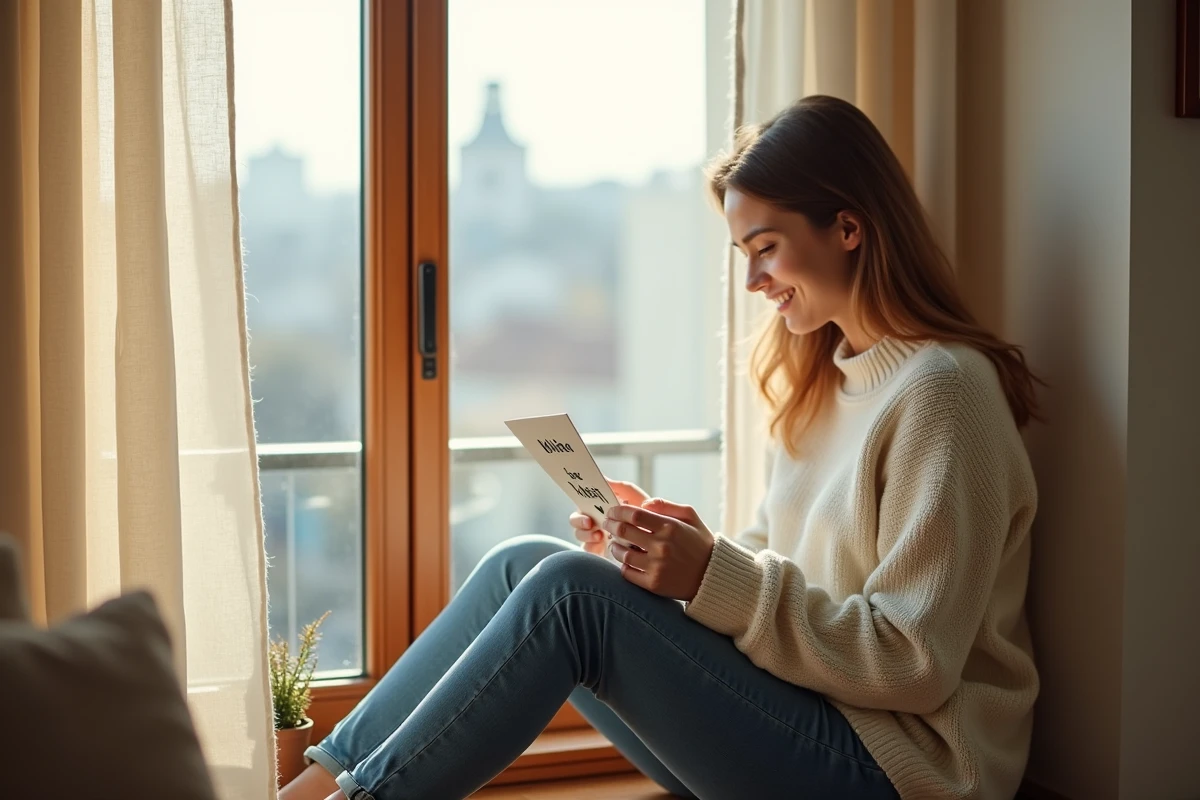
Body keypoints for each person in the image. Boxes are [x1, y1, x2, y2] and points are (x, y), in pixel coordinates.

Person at [280, 95, 1040, 800]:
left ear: (847, 228)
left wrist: (715, 576)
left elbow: (912, 661)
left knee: (570, 595)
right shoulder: (825, 382)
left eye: (766, 248)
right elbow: (779, 566)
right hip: (802, 719)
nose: (753, 280)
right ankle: (305, 792)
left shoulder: (943, 392)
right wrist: (668, 563)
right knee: (522, 564)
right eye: (744, 252)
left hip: (894, 768)